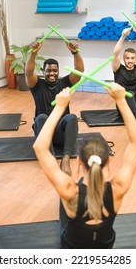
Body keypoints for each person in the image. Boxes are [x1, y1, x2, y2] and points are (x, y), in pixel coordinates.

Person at [33, 83, 136, 248]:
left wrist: (59, 107)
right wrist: (121, 101)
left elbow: (40, 148)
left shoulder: (70, 191)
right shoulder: (117, 189)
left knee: (63, 200)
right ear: (108, 160)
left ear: (79, 161)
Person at [26, 40, 84, 176]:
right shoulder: (37, 85)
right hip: (44, 134)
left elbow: (80, 70)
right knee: (41, 118)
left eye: (54, 71)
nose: (52, 73)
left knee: (72, 117)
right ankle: (50, 158)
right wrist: (33, 54)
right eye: (48, 71)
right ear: (43, 71)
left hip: (60, 134)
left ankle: (65, 159)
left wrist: (75, 53)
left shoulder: (65, 83)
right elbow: (28, 72)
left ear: (58, 71)